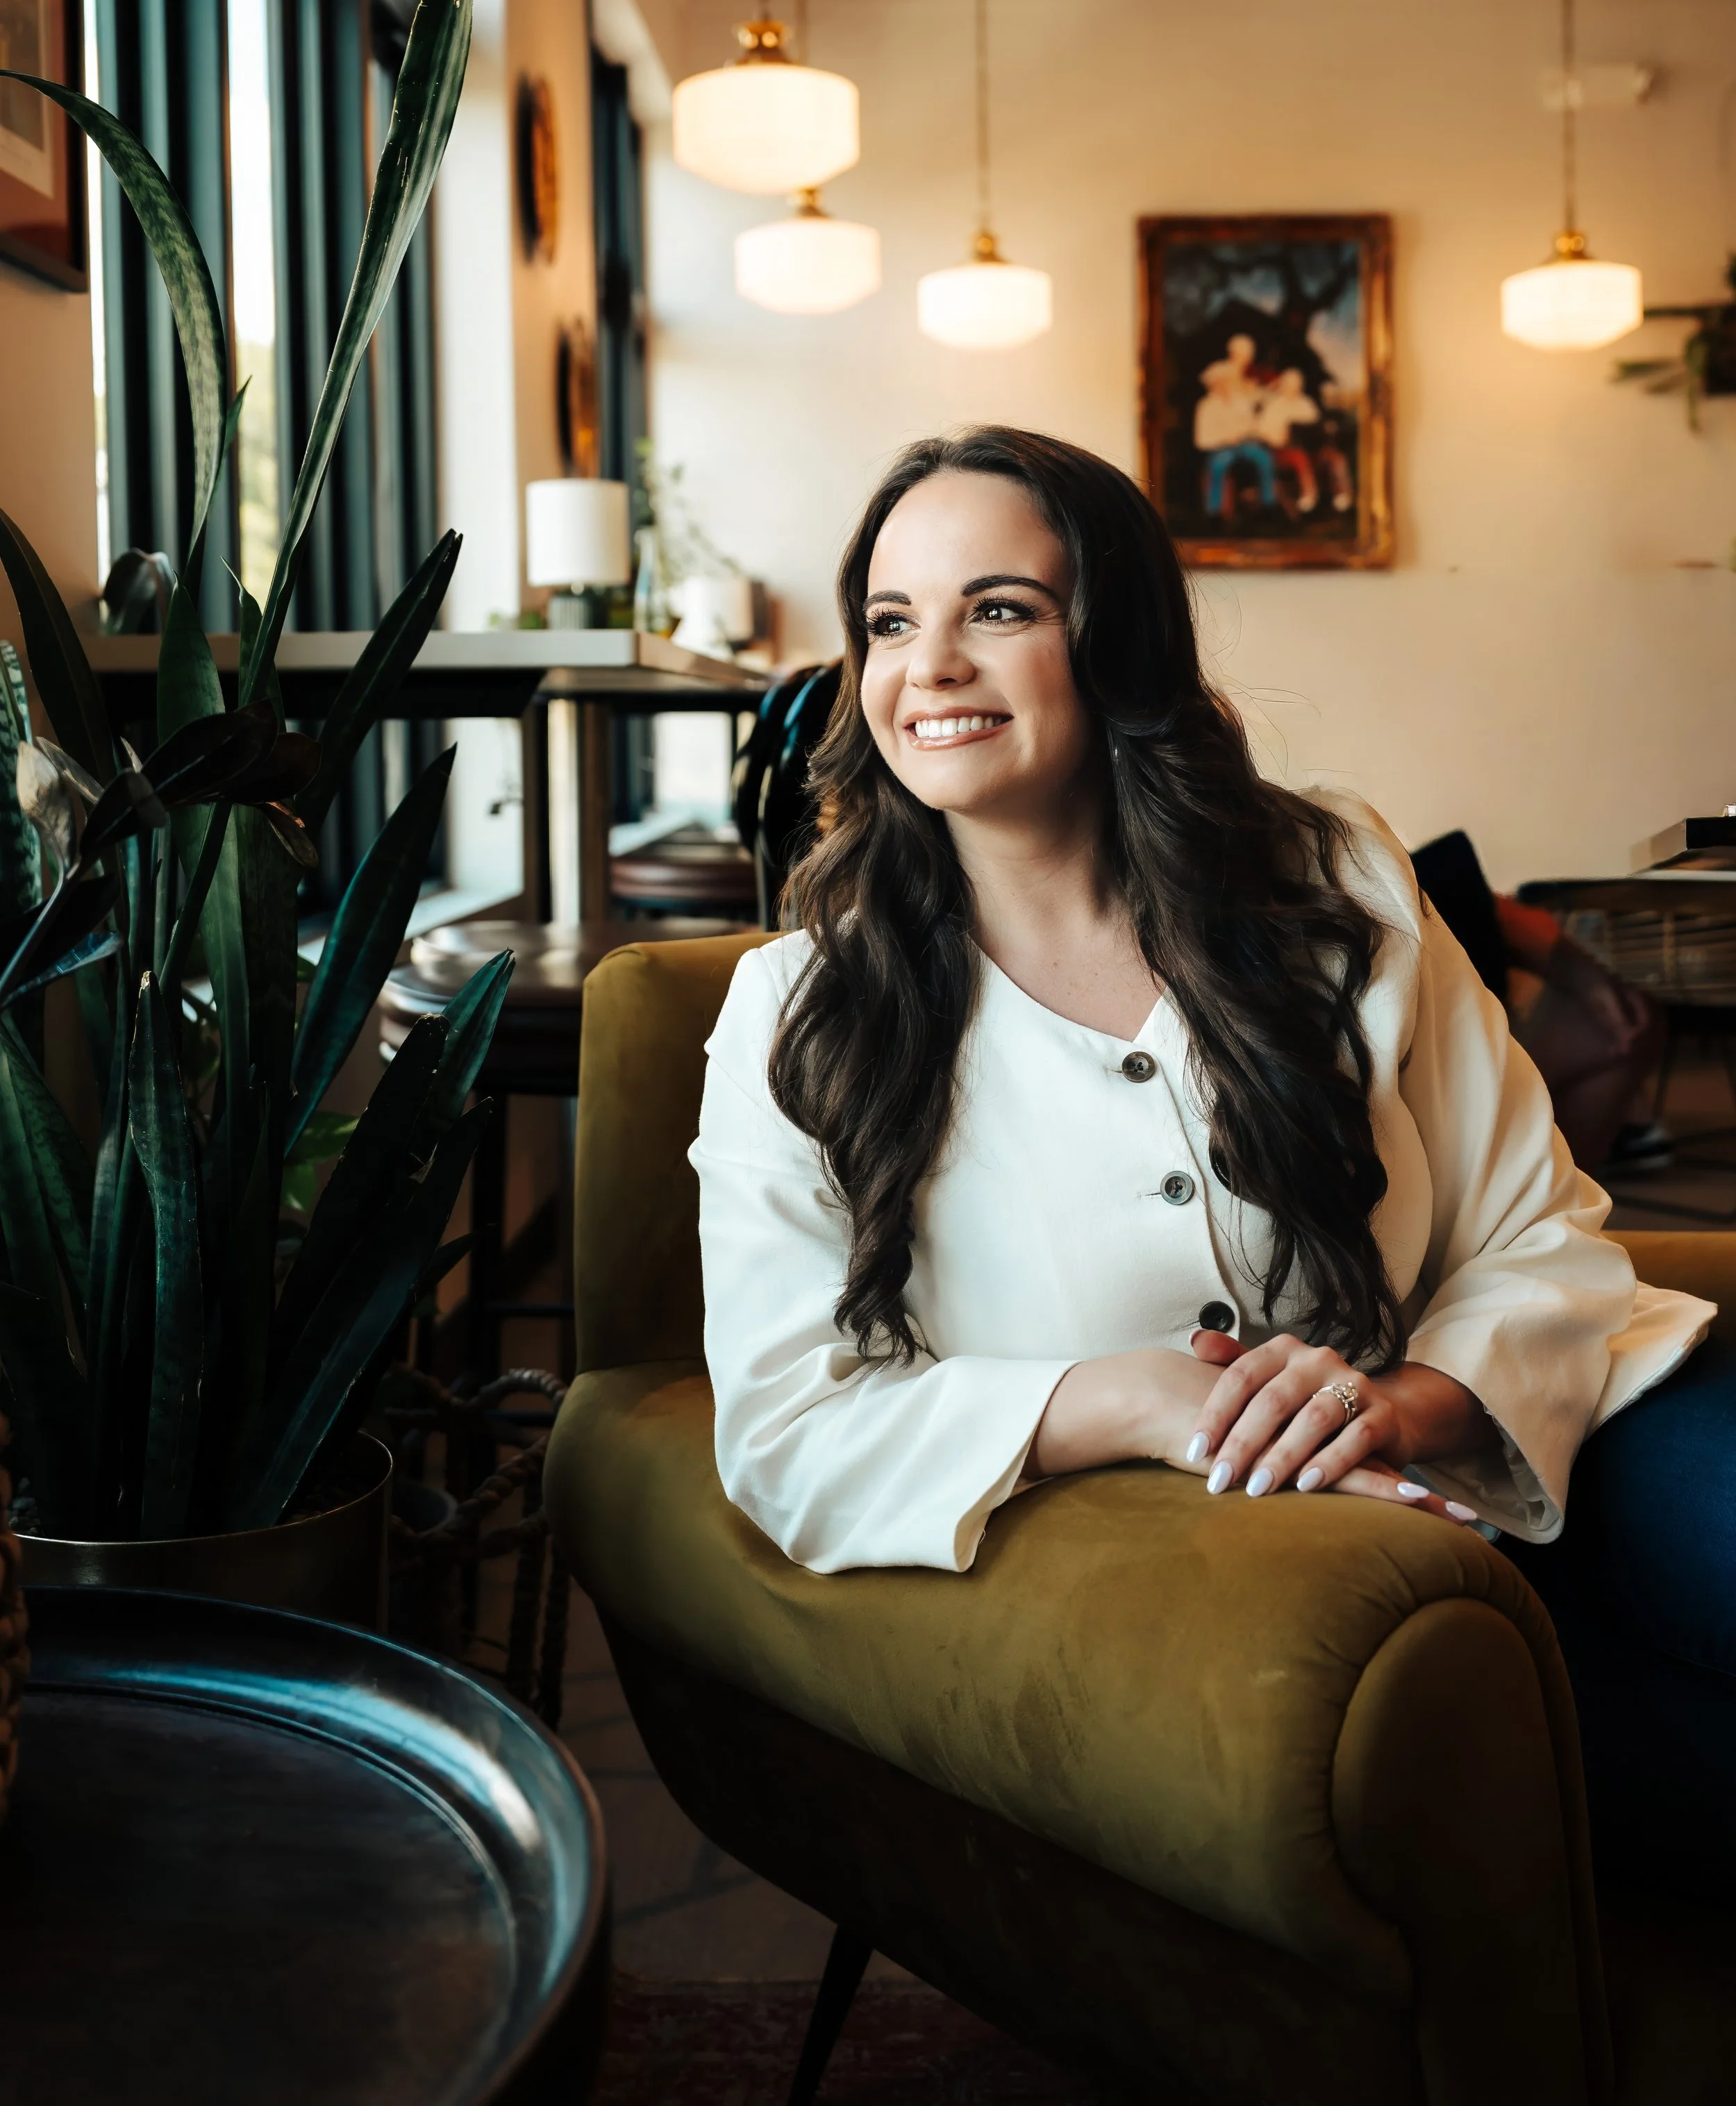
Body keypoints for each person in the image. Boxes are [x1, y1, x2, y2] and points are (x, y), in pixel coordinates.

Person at [694, 427, 1727, 1899]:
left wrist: (1397, 1402)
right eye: (887, 621)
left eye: (997, 609)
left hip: (1536, 1436)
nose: (927, 667)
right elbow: (789, 1426)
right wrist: (1125, 1401)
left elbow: (1533, 1226)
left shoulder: (1335, 881)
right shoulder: (798, 1013)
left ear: (1112, 641)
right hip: (1265, 1590)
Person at [1410, 828, 1667, 1174]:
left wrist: (1586, 978)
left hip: (1472, 1037)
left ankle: (1559, 1198)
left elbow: (1492, 909)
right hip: (1414, 1064)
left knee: (1624, 1026)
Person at [1192, 335, 1277, 518]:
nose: (1225, 385)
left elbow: (1249, 420)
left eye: (1226, 382)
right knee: (1219, 464)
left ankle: (1268, 505)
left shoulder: (1239, 398)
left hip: (1244, 444)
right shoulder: (1206, 405)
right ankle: (1214, 512)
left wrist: (1253, 431)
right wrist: (1225, 439)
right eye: (1220, 382)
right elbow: (1202, 440)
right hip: (1223, 447)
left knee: (1264, 458)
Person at [1250, 365, 1321, 514]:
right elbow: (1261, 431)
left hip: (1310, 449)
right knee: (1299, 457)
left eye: (1297, 386)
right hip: (1280, 450)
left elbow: (1315, 426)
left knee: (1333, 458)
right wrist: (1278, 437)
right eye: (1290, 385)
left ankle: (1341, 498)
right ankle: (1309, 496)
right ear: (1283, 386)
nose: (1294, 389)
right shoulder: (1275, 405)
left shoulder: (1306, 403)